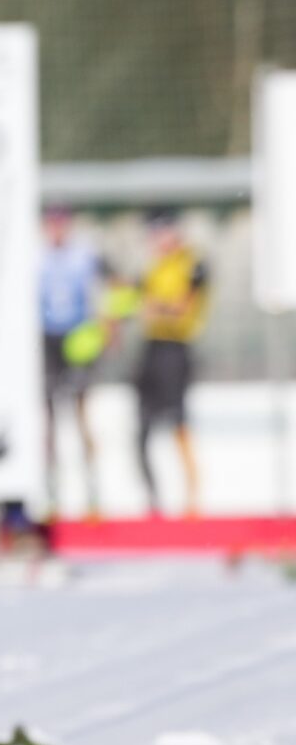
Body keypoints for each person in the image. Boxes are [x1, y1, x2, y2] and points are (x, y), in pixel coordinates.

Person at [125, 210, 208, 517]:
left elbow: (181, 309)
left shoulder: (193, 264)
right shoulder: (153, 267)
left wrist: (153, 307)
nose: (157, 240)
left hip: (176, 349)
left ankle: (192, 500)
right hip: (152, 349)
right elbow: (128, 301)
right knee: (142, 427)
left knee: (178, 423)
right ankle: (153, 503)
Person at [37, 206, 112, 520]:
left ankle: (92, 493)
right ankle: (52, 495)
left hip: (77, 339)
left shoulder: (84, 255)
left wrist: (105, 325)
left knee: (82, 416)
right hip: (46, 339)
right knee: (49, 421)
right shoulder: (33, 257)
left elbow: (109, 288)